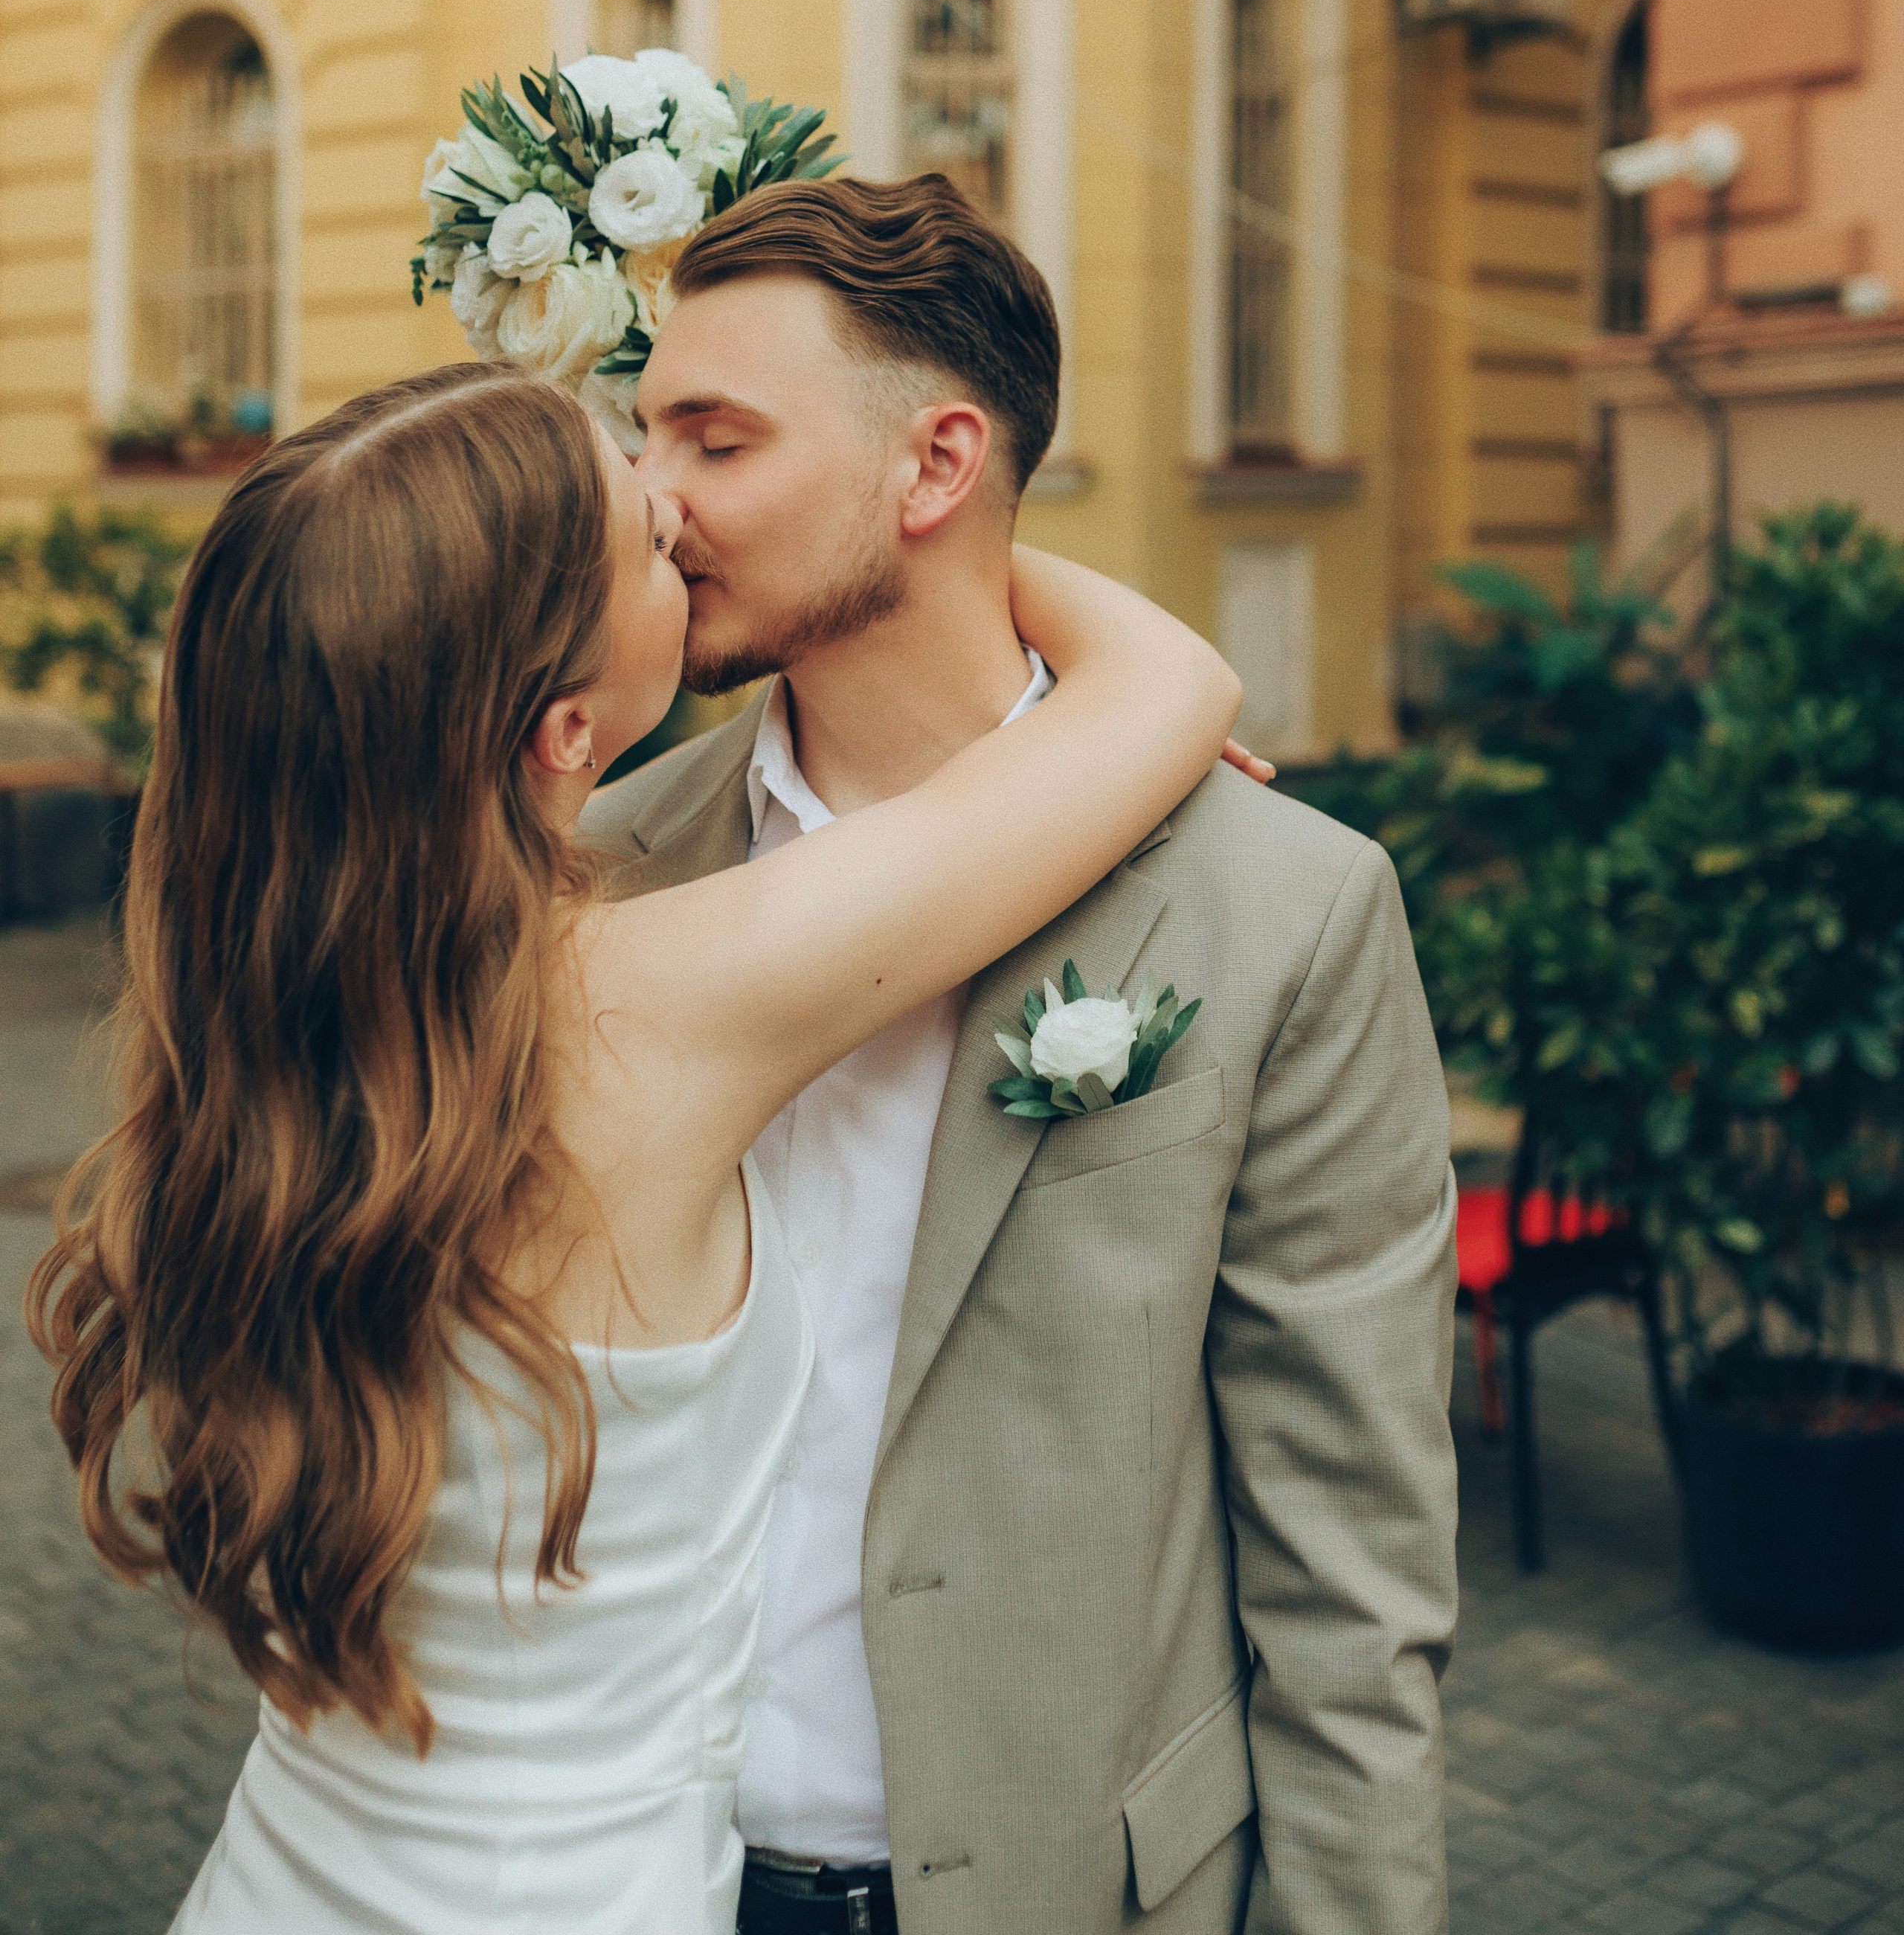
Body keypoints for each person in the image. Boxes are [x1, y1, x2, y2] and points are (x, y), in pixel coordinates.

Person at [26, 360, 1243, 1935]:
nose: (679, 505)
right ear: (563, 727)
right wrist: (924, 532)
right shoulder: (649, 1008)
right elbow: (1167, 690)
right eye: (645, 541)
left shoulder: (234, 1043)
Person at [585, 175, 1460, 1935]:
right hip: (626, 1873)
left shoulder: (1285, 906)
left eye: (716, 440)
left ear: (934, 466)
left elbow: (1348, 1556)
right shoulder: (593, 869)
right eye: (641, 436)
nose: (646, 501)